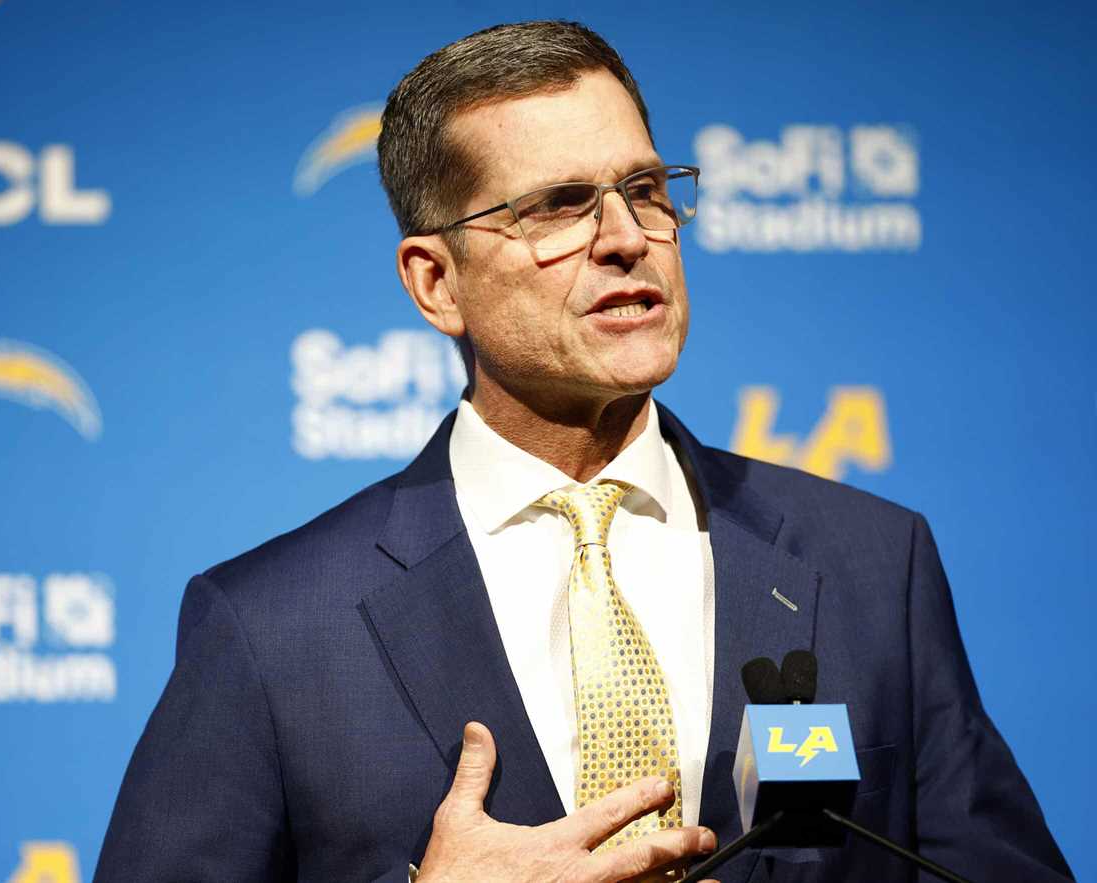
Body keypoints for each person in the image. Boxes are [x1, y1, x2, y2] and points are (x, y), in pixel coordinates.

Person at [95, 21, 1072, 883]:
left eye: (644, 189)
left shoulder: (868, 562)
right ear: (435, 283)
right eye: (558, 206)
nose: (625, 238)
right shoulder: (273, 630)